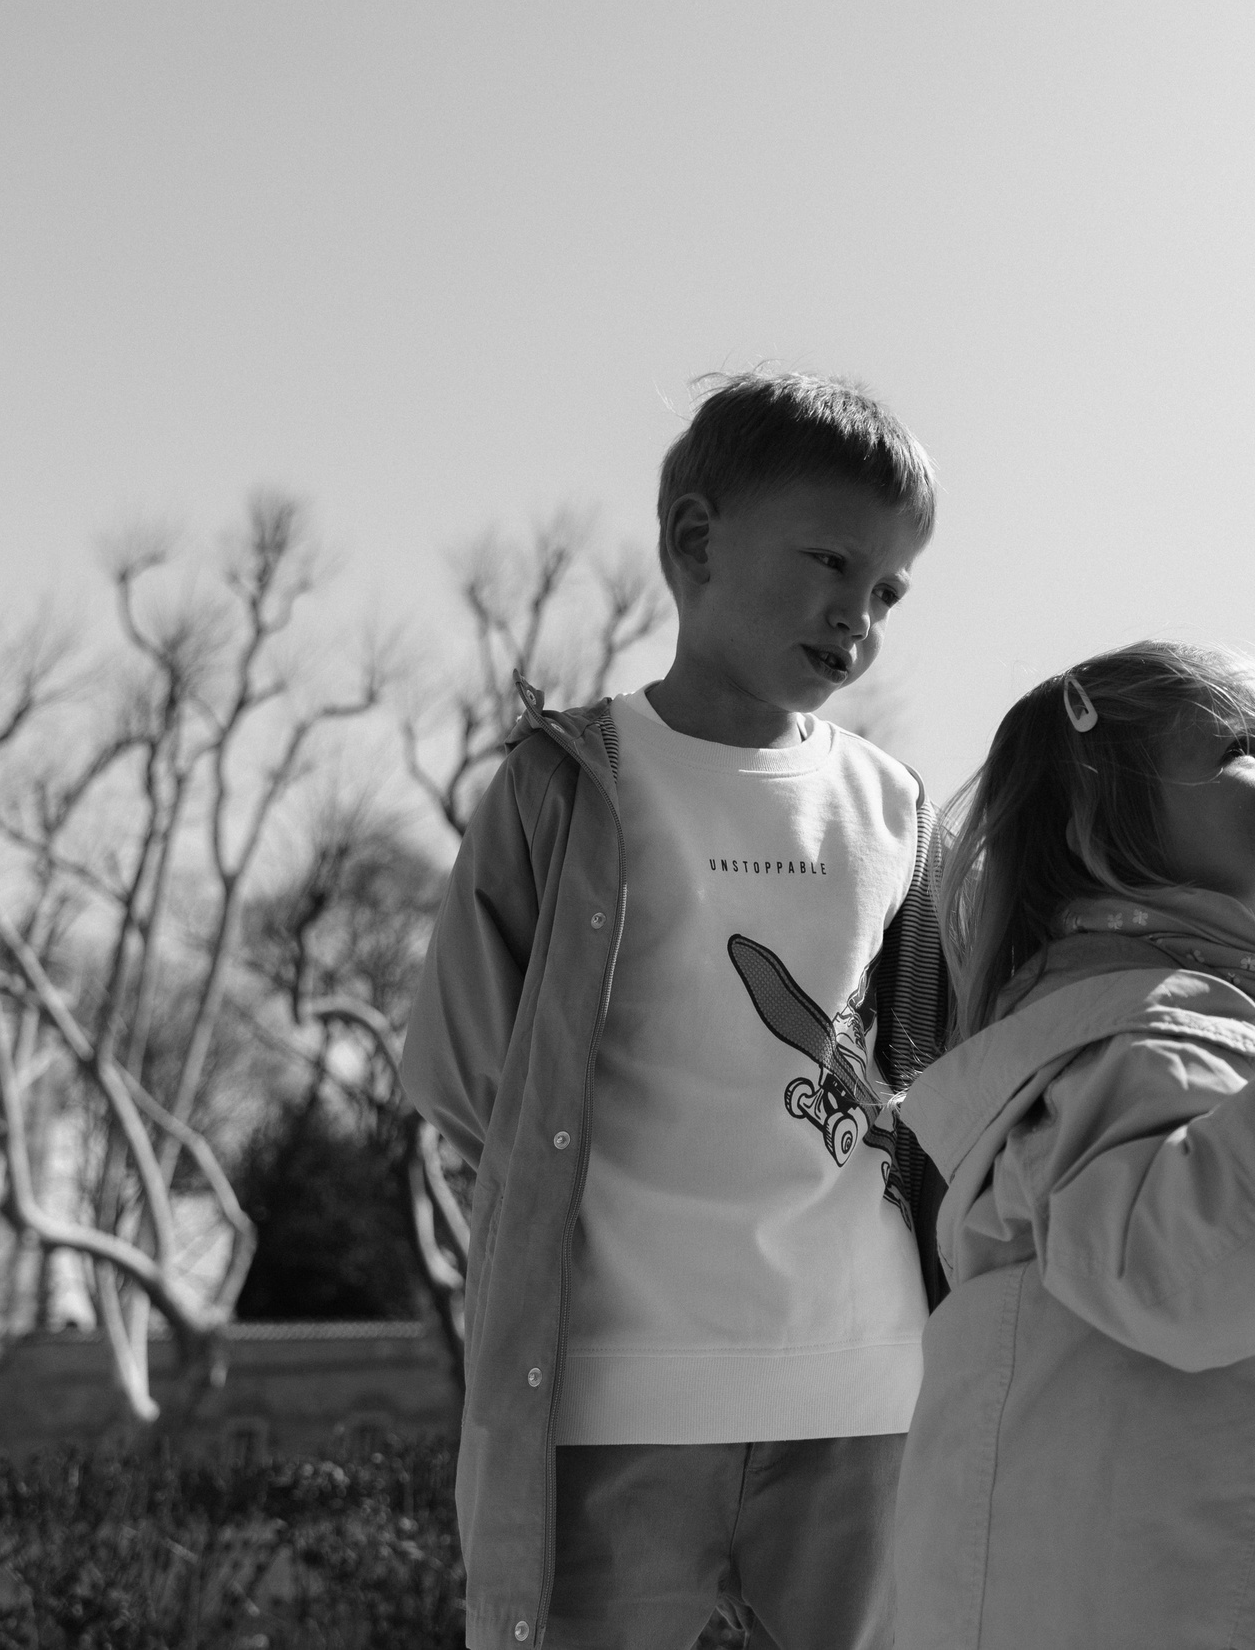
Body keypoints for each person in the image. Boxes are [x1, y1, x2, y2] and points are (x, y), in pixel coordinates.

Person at [401, 372, 951, 1650]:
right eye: (832, 562)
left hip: (864, 1379)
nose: (857, 614)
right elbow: (462, 1069)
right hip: (616, 1387)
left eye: (889, 591)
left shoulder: (898, 808)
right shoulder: (563, 780)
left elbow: (939, 1069)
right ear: (695, 543)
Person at [892, 642, 1255, 1650]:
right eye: (1242, 749)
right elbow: (1177, 1278)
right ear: (1101, 818)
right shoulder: (1135, 1031)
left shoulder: (1187, 1023)